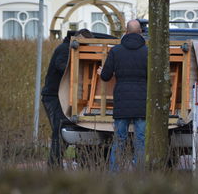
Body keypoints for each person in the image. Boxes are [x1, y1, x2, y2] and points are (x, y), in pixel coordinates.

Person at [97, 19, 148, 171]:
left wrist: (101, 72)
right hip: (142, 101)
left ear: (126, 32)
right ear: (140, 32)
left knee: (119, 140)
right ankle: (140, 174)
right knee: (141, 140)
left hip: (121, 101)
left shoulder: (116, 51)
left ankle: (114, 174)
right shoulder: (148, 52)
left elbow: (106, 76)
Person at [41, 29, 93, 168]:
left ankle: (60, 164)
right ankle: (54, 167)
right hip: (53, 96)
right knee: (60, 130)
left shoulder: (71, 48)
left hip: (61, 96)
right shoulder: (65, 49)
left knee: (64, 130)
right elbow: (61, 66)